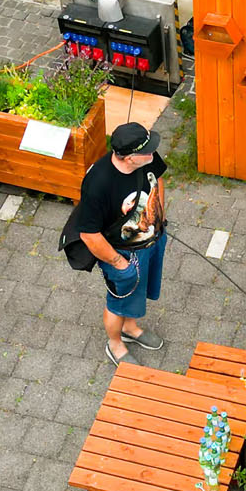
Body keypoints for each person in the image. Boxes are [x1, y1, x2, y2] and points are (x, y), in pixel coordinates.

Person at [75, 122, 168, 366]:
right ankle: (115, 344)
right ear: (129, 158)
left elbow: (156, 178)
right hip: (123, 254)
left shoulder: (145, 157)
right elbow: (89, 234)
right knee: (118, 301)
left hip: (152, 240)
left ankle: (130, 327)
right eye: (147, 150)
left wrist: (160, 214)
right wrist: (120, 264)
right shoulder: (98, 183)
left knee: (139, 291)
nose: (153, 152)